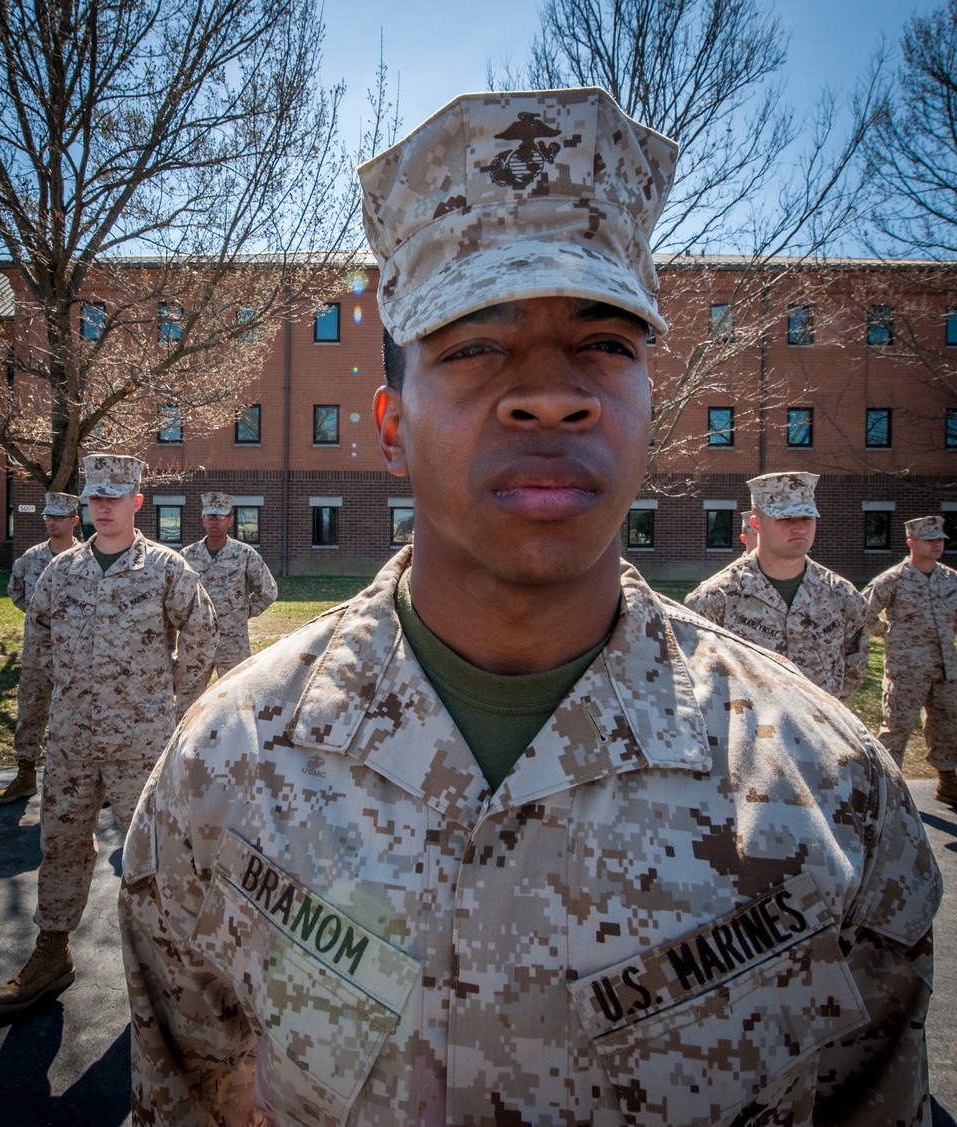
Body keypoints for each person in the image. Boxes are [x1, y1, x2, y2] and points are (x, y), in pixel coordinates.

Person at [119, 88, 939, 1127]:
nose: (550, 393)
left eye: (603, 343)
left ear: (651, 399)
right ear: (388, 425)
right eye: (472, 345)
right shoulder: (222, 769)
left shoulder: (834, 794)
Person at [0, 454, 218, 1015]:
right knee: (61, 844)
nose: (103, 506)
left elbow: (203, 636)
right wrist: (36, 729)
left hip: (141, 742)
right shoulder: (59, 573)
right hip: (70, 742)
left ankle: (165, 966)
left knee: (152, 856)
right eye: (95, 497)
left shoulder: (165, 569)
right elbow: (37, 656)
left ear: (137, 501)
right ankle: (52, 950)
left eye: (115, 496)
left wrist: (175, 710)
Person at [685, 472, 869, 700]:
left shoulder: (843, 596)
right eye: (786, 519)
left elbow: (854, 662)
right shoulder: (715, 599)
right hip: (748, 732)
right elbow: (696, 675)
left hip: (821, 729)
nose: (799, 528)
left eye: (807, 518)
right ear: (755, 523)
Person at [0, 492, 81, 806]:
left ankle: (80, 782)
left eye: (59, 517)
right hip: (36, 653)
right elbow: (17, 593)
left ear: (75, 521)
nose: (52, 522)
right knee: (30, 710)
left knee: (78, 715)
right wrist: (43, 625)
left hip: (77, 653)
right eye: (48, 516)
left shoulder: (88, 560)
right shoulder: (29, 559)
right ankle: (26, 774)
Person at [863, 515, 957, 804]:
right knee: (896, 730)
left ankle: (947, 780)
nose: (937, 544)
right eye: (930, 540)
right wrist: (885, 633)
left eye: (940, 539)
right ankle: (886, 789)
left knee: (948, 725)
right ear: (911, 542)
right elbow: (861, 610)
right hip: (907, 669)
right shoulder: (893, 579)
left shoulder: (950, 579)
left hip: (945, 668)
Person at [180, 492, 277, 676]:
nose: (214, 521)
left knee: (236, 697)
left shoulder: (244, 554)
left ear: (230, 521)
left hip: (233, 642)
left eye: (220, 517)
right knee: (189, 699)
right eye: (209, 516)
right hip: (196, 642)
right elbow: (176, 596)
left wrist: (241, 612)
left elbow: (268, 591)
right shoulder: (187, 556)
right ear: (203, 520)